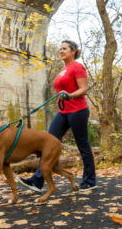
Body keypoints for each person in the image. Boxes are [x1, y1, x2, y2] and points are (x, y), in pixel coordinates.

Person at [18, 40, 97, 192]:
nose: (61, 51)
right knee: (47, 143)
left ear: (73, 51)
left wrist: (70, 95)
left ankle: (90, 180)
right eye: (60, 49)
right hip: (63, 112)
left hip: (78, 111)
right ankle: (37, 181)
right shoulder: (64, 69)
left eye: (64, 49)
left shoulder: (77, 66)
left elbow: (84, 89)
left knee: (83, 145)